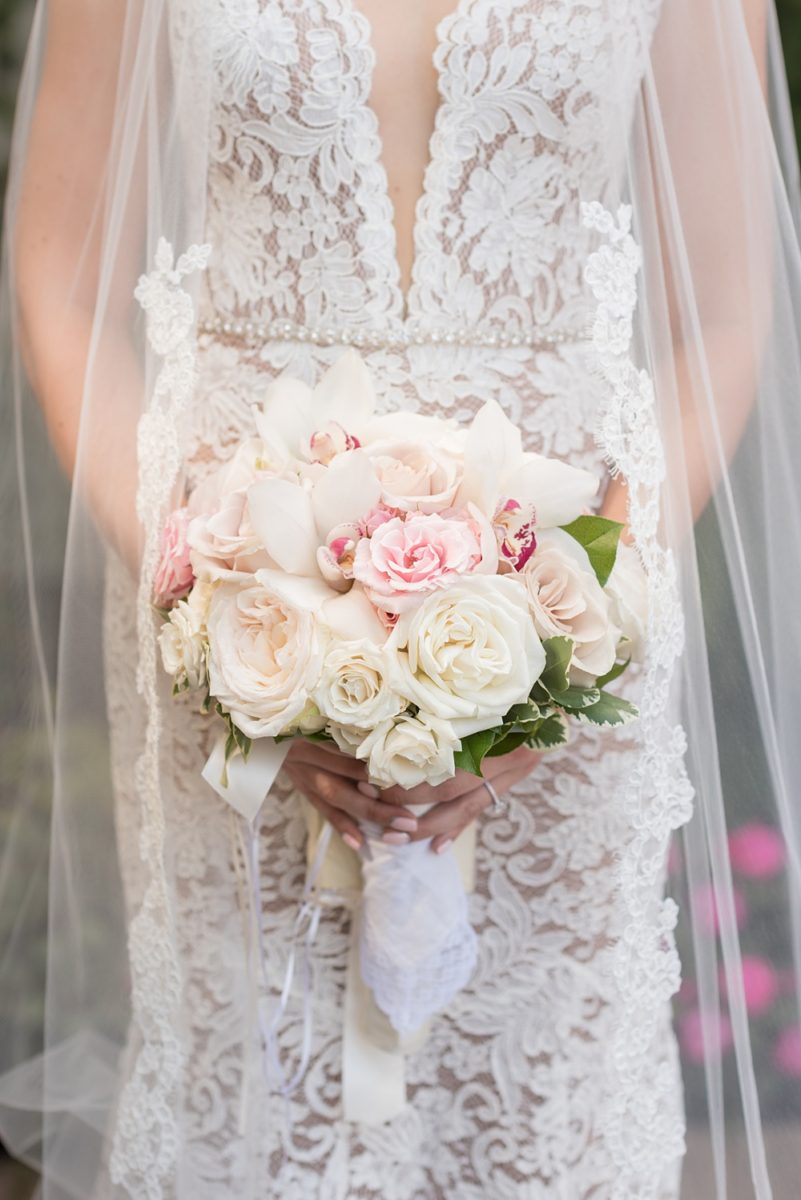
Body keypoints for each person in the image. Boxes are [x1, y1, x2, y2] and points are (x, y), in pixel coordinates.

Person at [1, 1, 800, 1197]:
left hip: (566, 605)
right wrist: (208, 602)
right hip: (236, 609)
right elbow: (59, 279)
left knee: (539, 1110)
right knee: (265, 1088)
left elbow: (726, 315)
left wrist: (569, 621)